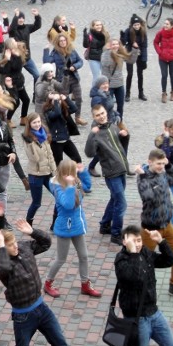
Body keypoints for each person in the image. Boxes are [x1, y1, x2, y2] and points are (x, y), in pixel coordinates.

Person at [0, 220, 91, 346]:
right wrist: (2, 245)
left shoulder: (23, 248)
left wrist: (32, 232)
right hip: (23, 316)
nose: (15, 247)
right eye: (10, 245)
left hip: (41, 308)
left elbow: (46, 243)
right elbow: (4, 269)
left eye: (14, 242)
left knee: (60, 342)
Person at [113, 225, 173, 346]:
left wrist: (161, 242)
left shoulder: (146, 254)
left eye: (139, 240)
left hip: (154, 313)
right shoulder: (121, 260)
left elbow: (170, 260)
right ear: (124, 241)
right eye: (133, 240)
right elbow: (134, 277)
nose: (138, 244)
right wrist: (133, 252)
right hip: (137, 317)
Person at [133, 148, 173, 302]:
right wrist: (143, 176)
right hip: (150, 229)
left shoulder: (163, 171)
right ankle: (139, 289)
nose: (161, 167)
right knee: (144, 261)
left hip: (167, 225)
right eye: (158, 164)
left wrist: (169, 164)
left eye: (162, 163)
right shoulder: (142, 177)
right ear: (150, 161)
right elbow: (149, 197)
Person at [43, 159, 101, 299]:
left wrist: (84, 173)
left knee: (84, 256)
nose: (75, 175)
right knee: (61, 259)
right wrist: (70, 186)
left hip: (76, 225)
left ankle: (85, 284)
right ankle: (47, 283)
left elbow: (86, 188)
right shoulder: (57, 187)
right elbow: (68, 205)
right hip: (65, 227)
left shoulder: (74, 181)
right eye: (73, 172)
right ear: (65, 174)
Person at [85, 104, 129, 245]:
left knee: (115, 199)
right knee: (121, 203)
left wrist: (125, 136)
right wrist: (92, 134)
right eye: (98, 115)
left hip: (121, 168)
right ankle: (116, 233)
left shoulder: (112, 126)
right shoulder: (96, 133)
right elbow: (89, 153)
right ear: (94, 117)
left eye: (102, 113)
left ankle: (105, 225)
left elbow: (121, 147)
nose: (101, 116)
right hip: (111, 173)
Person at [21, 112, 56, 226]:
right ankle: (28, 222)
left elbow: (50, 155)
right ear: (29, 124)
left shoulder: (44, 134)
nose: (37, 124)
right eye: (34, 122)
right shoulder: (28, 139)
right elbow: (34, 158)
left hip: (47, 173)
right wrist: (31, 143)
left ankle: (55, 223)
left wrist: (55, 172)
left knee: (59, 197)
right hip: (35, 175)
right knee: (36, 203)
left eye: (38, 122)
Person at [44, 34, 87, 125]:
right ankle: (66, 118)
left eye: (64, 40)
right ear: (58, 43)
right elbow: (46, 62)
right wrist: (46, 50)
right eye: (61, 41)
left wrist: (75, 66)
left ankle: (78, 117)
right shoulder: (55, 53)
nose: (63, 42)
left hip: (74, 78)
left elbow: (80, 61)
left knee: (78, 98)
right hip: (63, 80)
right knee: (65, 100)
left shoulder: (72, 50)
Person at [101, 38, 140, 119]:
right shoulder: (105, 54)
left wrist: (135, 49)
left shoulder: (120, 54)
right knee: (108, 105)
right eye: (113, 44)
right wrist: (109, 52)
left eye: (117, 44)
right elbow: (105, 63)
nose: (115, 46)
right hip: (109, 84)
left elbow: (131, 61)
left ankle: (120, 121)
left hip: (119, 84)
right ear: (110, 45)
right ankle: (109, 121)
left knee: (120, 105)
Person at [8, 8, 41, 89]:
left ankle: (36, 95)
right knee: (15, 79)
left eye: (22, 18)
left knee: (37, 75)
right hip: (16, 59)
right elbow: (12, 28)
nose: (21, 19)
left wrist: (37, 16)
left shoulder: (27, 27)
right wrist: (16, 16)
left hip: (27, 58)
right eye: (19, 18)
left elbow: (37, 25)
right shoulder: (12, 30)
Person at [153, 18, 173, 103]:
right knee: (164, 75)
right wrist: (160, 52)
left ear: (172, 26)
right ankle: (164, 93)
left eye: (167, 24)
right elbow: (155, 42)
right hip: (162, 58)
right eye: (164, 23)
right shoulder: (160, 33)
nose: (165, 25)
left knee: (172, 75)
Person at [121, 14, 149, 102]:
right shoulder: (128, 31)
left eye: (138, 24)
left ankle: (141, 93)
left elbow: (144, 46)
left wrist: (144, 59)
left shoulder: (143, 32)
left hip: (140, 54)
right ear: (132, 25)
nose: (137, 26)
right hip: (130, 53)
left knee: (140, 74)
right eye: (135, 25)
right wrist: (122, 37)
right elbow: (123, 43)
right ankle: (127, 93)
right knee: (130, 74)